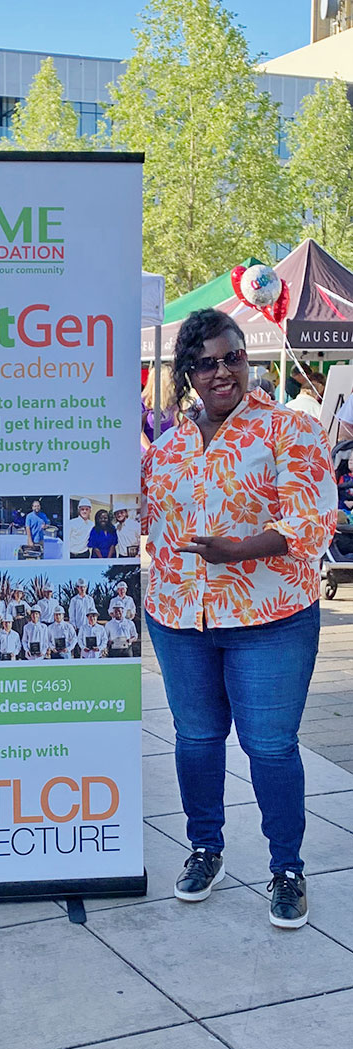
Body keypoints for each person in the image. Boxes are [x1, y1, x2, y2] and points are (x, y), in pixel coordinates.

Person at [142, 307, 336, 929]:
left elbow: (313, 520)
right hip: (179, 615)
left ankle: (286, 869)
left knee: (270, 747)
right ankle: (205, 849)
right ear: (188, 373)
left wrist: (239, 550)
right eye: (207, 363)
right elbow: (147, 520)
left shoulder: (286, 431)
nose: (223, 371)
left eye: (233, 357)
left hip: (269, 616)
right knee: (197, 740)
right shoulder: (167, 446)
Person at [141, 364, 178, 450]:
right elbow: (139, 432)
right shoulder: (143, 402)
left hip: (166, 452)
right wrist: (151, 451)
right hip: (146, 453)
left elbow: (175, 427)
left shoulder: (172, 401)